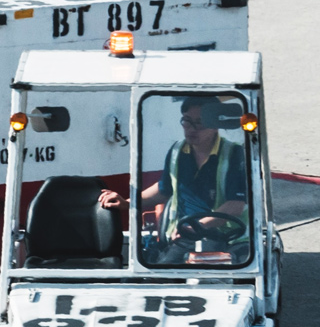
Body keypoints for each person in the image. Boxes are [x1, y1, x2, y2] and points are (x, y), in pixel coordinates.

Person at [99, 96, 248, 263]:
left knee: (236, 278)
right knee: (160, 277)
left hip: (230, 237)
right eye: (187, 121)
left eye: (199, 123)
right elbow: (164, 190)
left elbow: (235, 205)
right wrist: (127, 202)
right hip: (187, 236)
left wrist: (197, 225)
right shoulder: (177, 151)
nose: (191, 129)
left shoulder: (234, 154)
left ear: (215, 125)